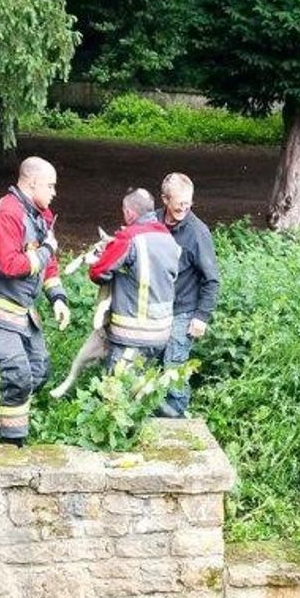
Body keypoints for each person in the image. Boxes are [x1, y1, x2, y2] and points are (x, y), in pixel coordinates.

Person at [0, 157, 70, 447]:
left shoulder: (41, 214)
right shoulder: (6, 214)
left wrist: (57, 297)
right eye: (50, 185)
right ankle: (11, 443)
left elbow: (48, 264)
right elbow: (10, 266)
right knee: (18, 372)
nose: (54, 192)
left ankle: (2, 425)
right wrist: (47, 249)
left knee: (39, 371)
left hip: (22, 309)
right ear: (32, 182)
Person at [88, 188, 179, 372]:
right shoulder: (168, 237)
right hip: (161, 333)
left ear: (129, 212)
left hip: (133, 333)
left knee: (117, 386)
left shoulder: (129, 238)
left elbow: (99, 272)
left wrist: (101, 256)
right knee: (143, 385)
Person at [156, 172, 220, 417]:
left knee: (173, 367)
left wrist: (201, 317)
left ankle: (176, 420)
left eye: (188, 202)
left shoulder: (197, 232)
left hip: (184, 311)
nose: (184, 207)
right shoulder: (152, 223)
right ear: (165, 199)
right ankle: (152, 415)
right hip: (155, 308)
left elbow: (212, 280)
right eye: (179, 203)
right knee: (151, 365)